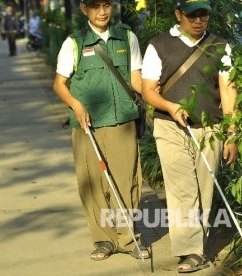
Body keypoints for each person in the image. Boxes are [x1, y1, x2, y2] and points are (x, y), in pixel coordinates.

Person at [141, 0, 238, 273]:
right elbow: (149, 90)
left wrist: (232, 134)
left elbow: (228, 90)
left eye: (203, 15)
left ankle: (197, 244)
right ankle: (191, 251)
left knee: (204, 187)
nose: (198, 20)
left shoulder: (221, 46)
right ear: (178, 14)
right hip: (169, 126)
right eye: (192, 15)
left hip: (210, 127)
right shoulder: (158, 45)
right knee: (181, 187)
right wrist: (171, 107)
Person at [53, 0, 150, 262]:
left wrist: (159, 99)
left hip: (122, 122)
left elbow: (136, 79)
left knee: (127, 181)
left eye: (106, 4)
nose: (102, 11)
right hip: (88, 126)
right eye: (95, 6)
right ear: (84, 9)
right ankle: (104, 240)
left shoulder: (126, 37)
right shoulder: (74, 42)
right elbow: (60, 84)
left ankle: (129, 239)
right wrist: (76, 105)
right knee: (93, 184)